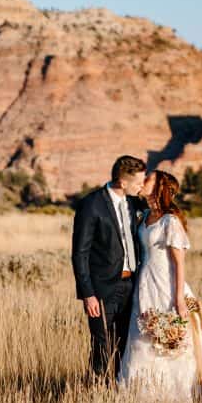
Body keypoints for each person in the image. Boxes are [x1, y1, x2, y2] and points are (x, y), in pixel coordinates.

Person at [117, 170, 202, 402]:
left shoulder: (171, 220)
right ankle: (143, 396)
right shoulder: (145, 215)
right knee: (142, 338)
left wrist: (178, 298)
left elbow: (179, 263)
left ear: (159, 187)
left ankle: (178, 395)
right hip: (145, 284)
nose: (143, 181)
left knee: (173, 340)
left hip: (167, 285)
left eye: (148, 179)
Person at [71, 155, 147, 379]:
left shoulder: (133, 202)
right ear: (123, 182)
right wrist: (88, 294)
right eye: (138, 182)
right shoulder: (91, 204)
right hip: (102, 289)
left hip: (131, 285)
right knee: (102, 344)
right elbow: (80, 253)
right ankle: (98, 392)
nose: (141, 186)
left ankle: (117, 390)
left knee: (125, 343)